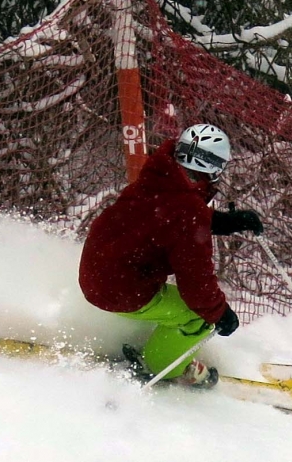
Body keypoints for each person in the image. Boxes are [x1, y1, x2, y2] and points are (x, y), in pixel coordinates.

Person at [79, 124, 263, 387]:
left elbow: (166, 216)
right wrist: (219, 314)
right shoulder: (188, 211)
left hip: (99, 273)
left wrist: (223, 222)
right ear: (216, 168)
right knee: (200, 317)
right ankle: (160, 366)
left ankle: (160, 349)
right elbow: (196, 283)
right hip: (121, 288)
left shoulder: (158, 178)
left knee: (192, 306)